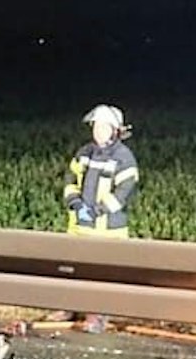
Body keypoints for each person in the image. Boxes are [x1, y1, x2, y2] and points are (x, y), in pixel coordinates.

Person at [55, 103, 139, 332]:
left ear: (115, 130)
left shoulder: (124, 158)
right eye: (96, 126)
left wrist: (98, 210)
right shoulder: (84, 153)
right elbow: (70, 180)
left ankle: (97, 316)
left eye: (104, 127)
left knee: (101, 275)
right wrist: (75, 203)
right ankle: (67, 308)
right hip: (80, 226)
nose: (98, 131)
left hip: (107, 229)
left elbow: (124, 192)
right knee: (71, 269)